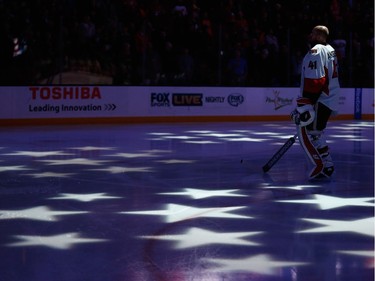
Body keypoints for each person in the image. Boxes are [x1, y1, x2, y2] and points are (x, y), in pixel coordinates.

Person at [290, 25, 340, 179]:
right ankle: (325, 164)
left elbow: (316, 81)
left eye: (312, 33)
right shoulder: (330, 49)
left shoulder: (316, 51)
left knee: (315, 133)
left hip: (321, 99)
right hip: (330, 97)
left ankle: (326, 166)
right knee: (316, 132)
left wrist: (306, 102)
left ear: (318, 36)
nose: (310, 35)